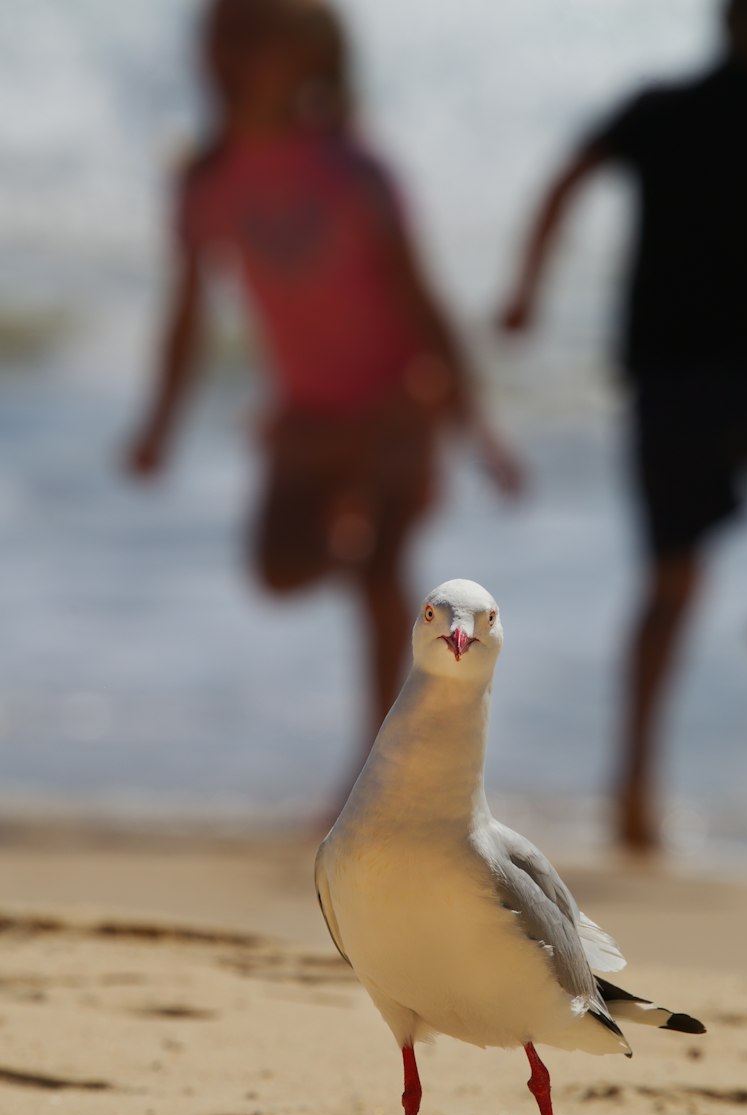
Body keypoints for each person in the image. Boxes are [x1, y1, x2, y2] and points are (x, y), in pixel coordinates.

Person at [498, 0, 747, 853]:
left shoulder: (657, 105)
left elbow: (568, 178)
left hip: (664, 387)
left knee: (669, 589)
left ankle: (634, 791)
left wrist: (528, 284)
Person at [127, 0, 522, 803]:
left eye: (252, 40)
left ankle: (376, 775)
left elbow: (422, 301)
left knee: (380, 578)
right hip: (307, 417)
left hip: (393, 407)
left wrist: (478, 427)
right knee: (277, 571)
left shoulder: (353, 170)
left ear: (308, 59)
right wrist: (159, 425)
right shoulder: (206, 180)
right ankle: (376, 567)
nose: (230, 58)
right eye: (218, 40)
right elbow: (186, 315)